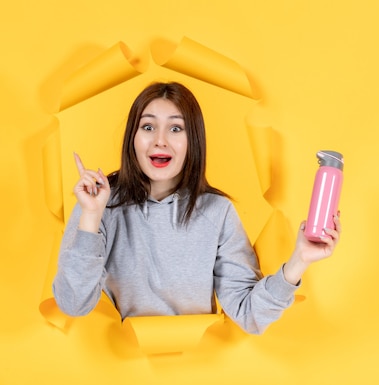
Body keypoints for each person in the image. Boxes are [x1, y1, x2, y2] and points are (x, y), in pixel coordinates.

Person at [52, 81, 341, 335]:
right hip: (123, 368)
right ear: (133, 138)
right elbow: (74, 303)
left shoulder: (217, 212)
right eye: (148, 126)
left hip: (194, 369)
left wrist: (299, 261)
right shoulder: (99, 204)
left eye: (176, 128)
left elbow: (249, 314)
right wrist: (90, 216)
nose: (160, 140)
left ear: (193, 141)